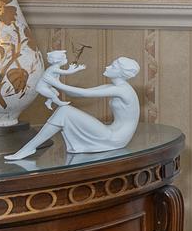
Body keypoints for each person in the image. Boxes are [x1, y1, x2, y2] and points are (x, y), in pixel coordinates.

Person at [8, 57, 141, 160]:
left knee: (65, 111)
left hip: (116, 138)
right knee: (64, 111)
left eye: (113, 66)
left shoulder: (122, 91)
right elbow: (79, 92)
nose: (107, 66)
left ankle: (29, 148)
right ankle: (29, 148)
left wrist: (54, 82)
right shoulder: (114, 87)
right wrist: (53, 83)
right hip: (112, 133)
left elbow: (82, 94)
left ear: (122, 73)